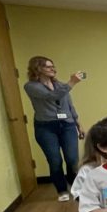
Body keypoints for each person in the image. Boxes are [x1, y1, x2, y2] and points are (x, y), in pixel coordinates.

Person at [23, 55, 85, 201]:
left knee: (72, 159)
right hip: (46, 127)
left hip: (67, 125)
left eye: (53, 66)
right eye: (48, 66)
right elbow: (51, 96)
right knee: (55, 160)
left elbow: (69, 105)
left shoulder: (60, 85)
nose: (53, 69)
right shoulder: (31, 86)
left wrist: (78, 124)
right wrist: (72, 82)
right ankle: (62, 190)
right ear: (37, 68)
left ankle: (75, 187)